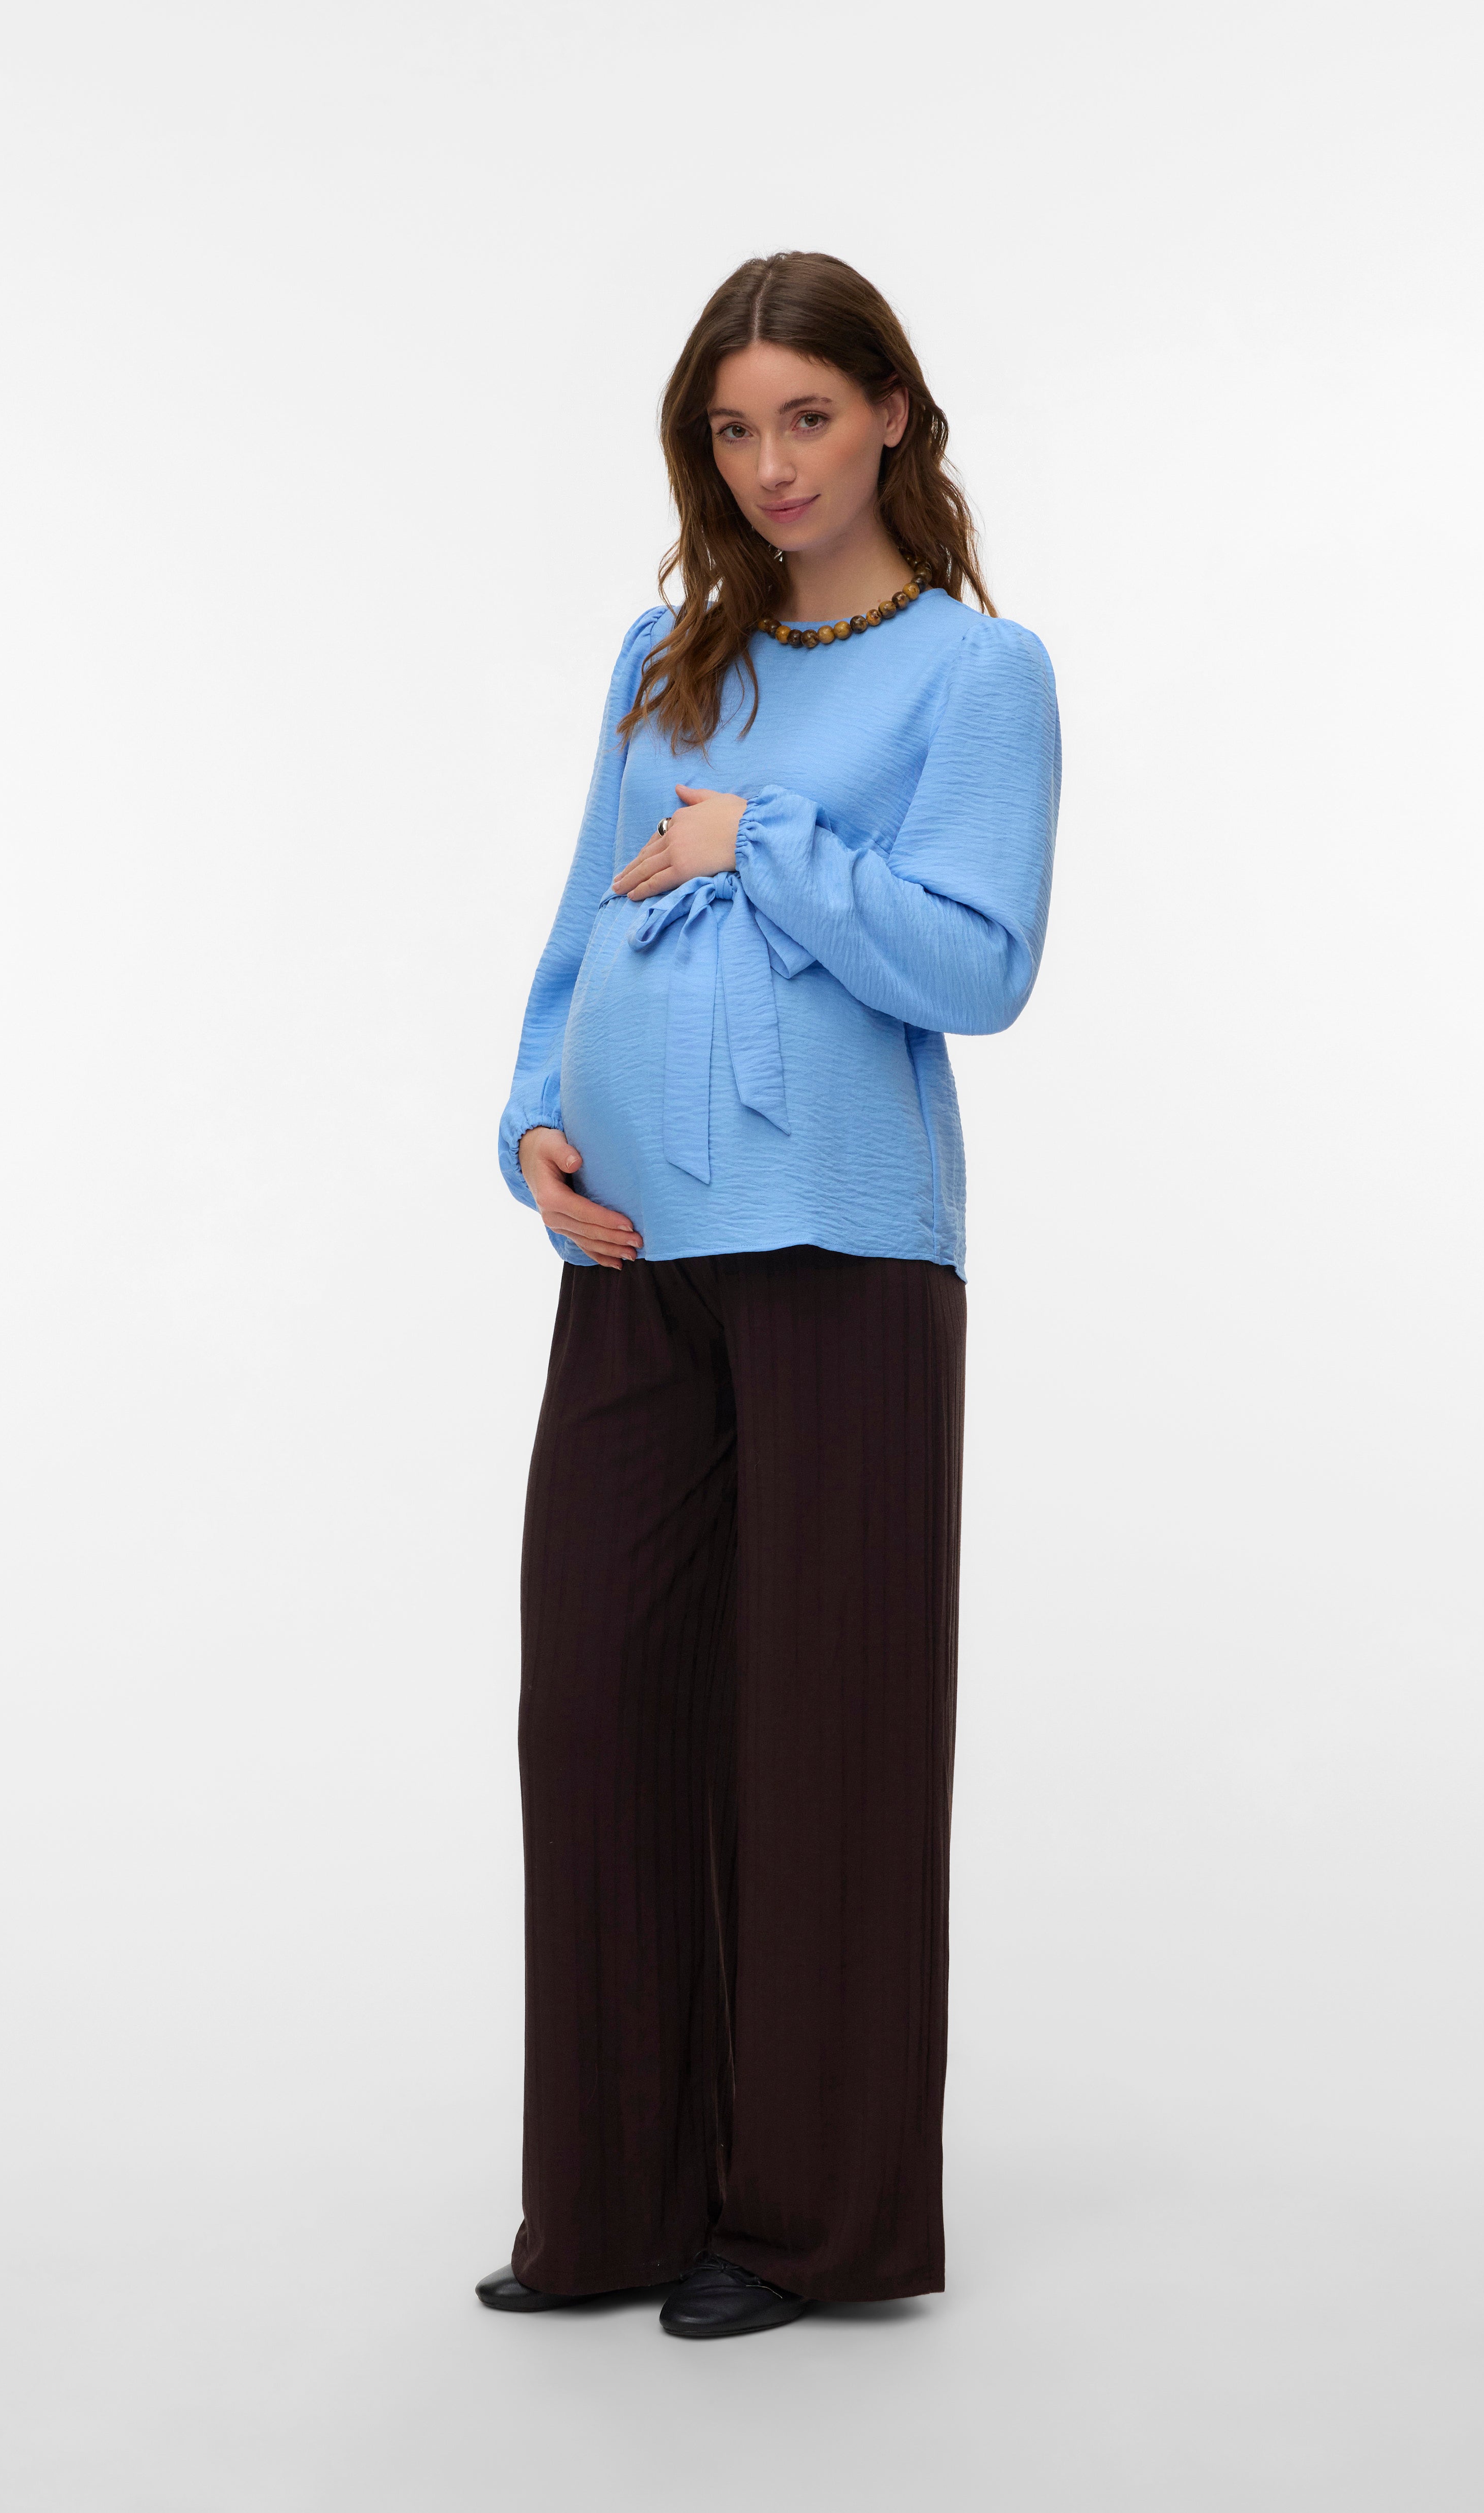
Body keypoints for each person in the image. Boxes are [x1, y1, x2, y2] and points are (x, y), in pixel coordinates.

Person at [480, 250, 1061, 2340]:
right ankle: (619, 2202)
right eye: (732, 431)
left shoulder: (977, 676)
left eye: (807, 417)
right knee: (600, 1708)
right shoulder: (666, 657)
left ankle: (812, 2225)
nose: (771, 465)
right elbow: (580, 923)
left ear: (891, 412)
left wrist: (762, 842)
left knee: (824, 1738)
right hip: (636, 1252)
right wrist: (532, 1122)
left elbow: (980, 965)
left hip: (843, 1251)